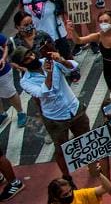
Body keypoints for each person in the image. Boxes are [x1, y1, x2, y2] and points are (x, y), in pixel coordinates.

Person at [13, 45, 89, 177]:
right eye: (26, 59)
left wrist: (61, 60)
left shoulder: (50, 61)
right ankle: (67, 176)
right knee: (60, 150)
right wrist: (49, 73)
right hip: (55, 118)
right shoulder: (25, 82)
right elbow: (43, 93)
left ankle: (92, 166)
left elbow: (73, 67)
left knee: (86, 139)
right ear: (22, 65)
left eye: (31, 54)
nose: (31, 58)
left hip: (74, 108)